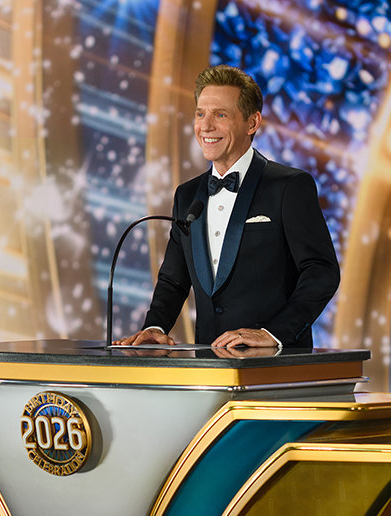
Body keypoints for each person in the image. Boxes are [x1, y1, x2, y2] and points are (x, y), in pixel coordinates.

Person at [114, 65, 339, 349]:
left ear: (252, 123)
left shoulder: (290, 186)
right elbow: (173, 279)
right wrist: (155, 326)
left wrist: (272, 334)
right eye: (200, 114)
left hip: (276, 364)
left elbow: (322, 271)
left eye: (220, 114)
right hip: (209, 365)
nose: (205, 126)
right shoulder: (186, 195)